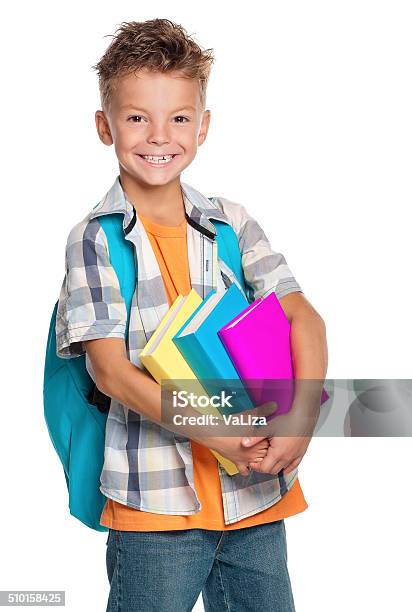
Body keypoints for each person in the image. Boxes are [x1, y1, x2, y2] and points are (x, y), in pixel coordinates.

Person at [55, 18, 328, 612]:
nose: (159, 135)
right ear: (105, 126)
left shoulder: (232, 223)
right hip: (155, 507)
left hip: (255, 495)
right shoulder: (95, 240)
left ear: (202, 126)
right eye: (136, 118)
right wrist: (214, 429)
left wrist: (302, 417)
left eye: (179, 117)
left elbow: (304, 318)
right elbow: (111, 373)